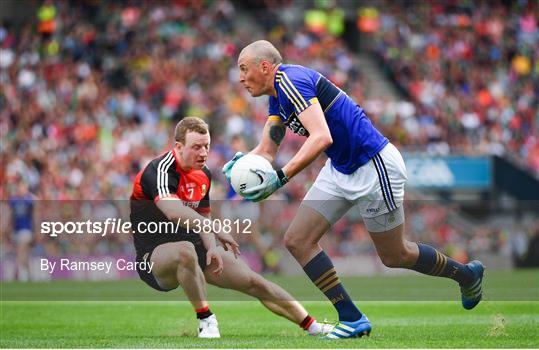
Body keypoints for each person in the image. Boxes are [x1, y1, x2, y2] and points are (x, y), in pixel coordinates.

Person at [223, 40, 485, 339]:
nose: (241, 78)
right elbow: (268, 150)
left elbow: (321, 137)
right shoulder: (277, 97)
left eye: (244, 69)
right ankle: (351, 318)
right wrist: (245, 162)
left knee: (396, 255)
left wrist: (280, 178)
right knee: (297, 239)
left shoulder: (291, 81)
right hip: (340, 168)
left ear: (265, 66)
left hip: (373, 166)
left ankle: (466, 274)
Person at [130, 116, 332, 338]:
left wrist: (212, 246)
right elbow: (174, 211)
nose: (203, 153)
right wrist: (217, 228)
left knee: (255, 282)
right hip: (154, 258)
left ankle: (313, 326)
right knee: (184, 249)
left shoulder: (203, 174)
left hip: (195, 248)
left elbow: (202, 215)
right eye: (196, 147)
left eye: (206, 146)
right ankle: (206, 320)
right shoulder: (159, 169)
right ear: (178, 146)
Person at [8, 182, 37, 281]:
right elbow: (11, 216)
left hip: (26, 229)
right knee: (24, 253)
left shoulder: (29, 200)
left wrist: (36, 230)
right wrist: (9, 228)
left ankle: (17, 272)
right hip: (17, 229)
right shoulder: (14, 201)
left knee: (21, 249)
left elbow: (34, 216)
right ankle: (29, 274)